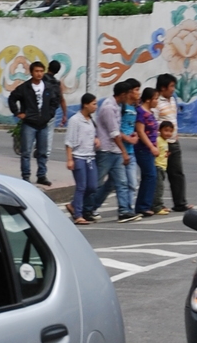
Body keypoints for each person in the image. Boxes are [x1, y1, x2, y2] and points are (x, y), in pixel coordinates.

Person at [8, 59, 59, 184]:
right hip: (29, 123)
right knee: (26, 152)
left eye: (41, 71)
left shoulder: (47, 87)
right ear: (31, 72)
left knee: (42, 152)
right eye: (36, 71)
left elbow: (54, 101)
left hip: (43, 123)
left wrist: (49, 114)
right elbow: (12, 98)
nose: (39, 74)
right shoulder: (25, 88)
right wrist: (18, 113)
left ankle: (42, 175)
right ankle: (26, 176)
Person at [93, 78, 137, 220]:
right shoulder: (108, 107)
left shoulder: (118, 106)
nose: (129, 96)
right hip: (106, 151)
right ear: (122, 94)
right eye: (128, 94)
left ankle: (124, 211)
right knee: (97, 183)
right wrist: (124, 152)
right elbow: (114, 133)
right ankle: (82, 207)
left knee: (119, 182)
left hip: (115, 151)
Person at [152, 72, 191, 211]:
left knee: (177, 173)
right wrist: (159, 142)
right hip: (162, 143)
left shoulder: (172, 100)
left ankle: (180, 203)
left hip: (173, 141)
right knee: (160, 174)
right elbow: (153, 123)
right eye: (171, 86)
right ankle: (157, 204)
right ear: (163, 88)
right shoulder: (155, 102)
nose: (173, 89)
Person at [64, 92, 99, 223]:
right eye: (93, 104)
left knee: (93, 186)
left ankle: (73, 205)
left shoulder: (90, 121)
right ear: (85, 104)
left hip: (90, 156)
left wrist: (96, 140)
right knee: (81, 186)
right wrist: (69, 159)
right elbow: (69, 141)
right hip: (78, 157)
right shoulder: (75, 120)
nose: (95, 107)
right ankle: (78, 215)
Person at [132, 85, 159, 218]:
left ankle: (143, 205)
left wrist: (156, 146)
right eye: (155, 98)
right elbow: (141, 132)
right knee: (150, 176)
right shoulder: (141, 113)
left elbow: (154, 132)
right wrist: (151, 147)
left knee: (149, 176)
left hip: (150, 149)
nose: (157, 101)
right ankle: (143, 206)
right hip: (143, 149)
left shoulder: (150, 113)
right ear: (148, 100)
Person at [153, 118, 177, 214]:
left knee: (159, 187)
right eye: (166, 130)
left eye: (170, 131)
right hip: (157, 166)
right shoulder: (158, 140)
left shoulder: (165, 141)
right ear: (160, 130)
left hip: (163, 167)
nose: (168, 133)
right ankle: (157, 207)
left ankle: (158, 204)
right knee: (159, 188)